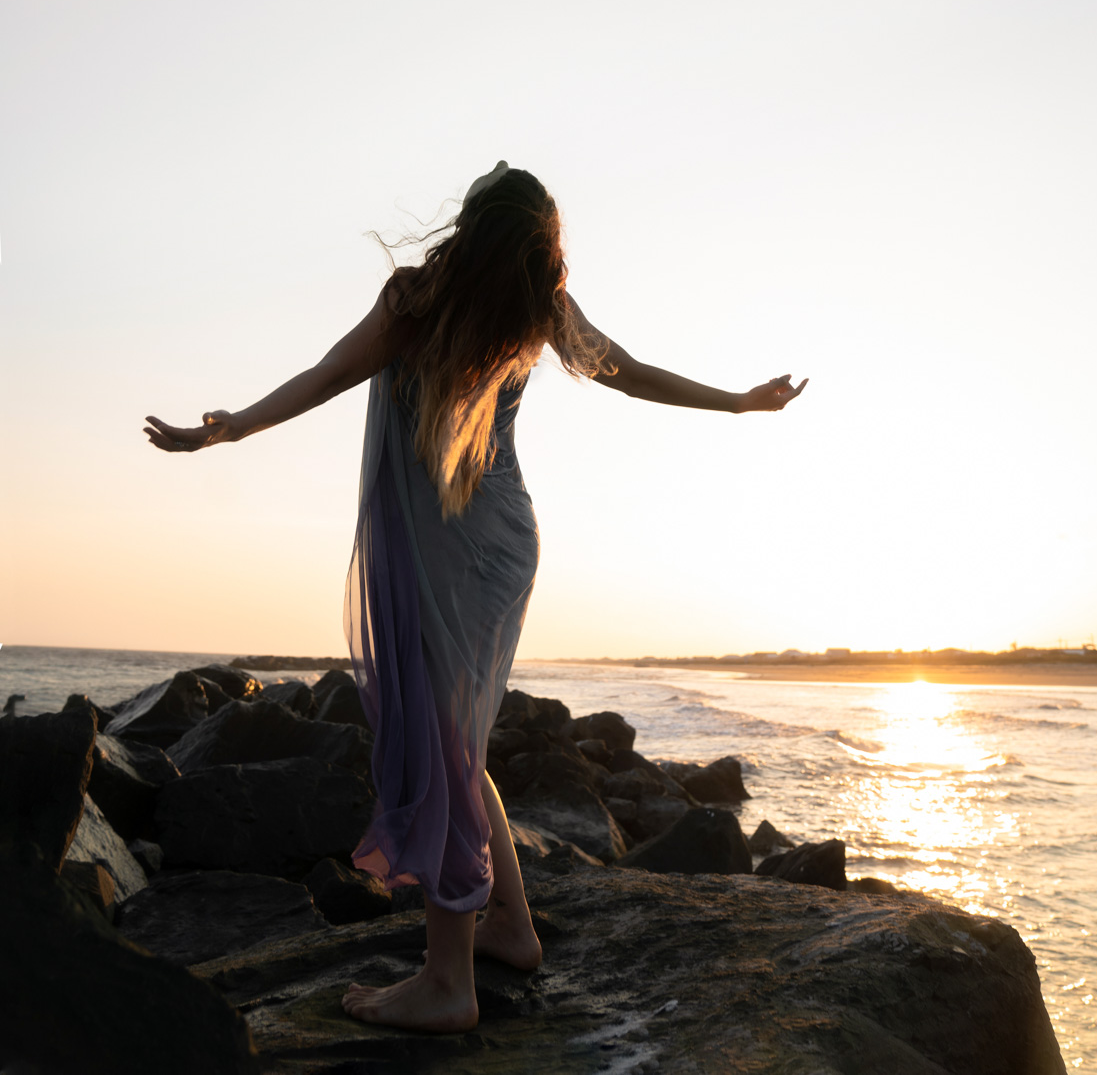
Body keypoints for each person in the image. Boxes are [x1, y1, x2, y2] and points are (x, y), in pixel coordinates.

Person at [145, 162, 807, 1033]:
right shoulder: (539, 310)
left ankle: (447, 983)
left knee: (446, 749)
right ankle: (511, 929)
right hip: (501, 539)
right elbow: (632, 373)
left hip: (451, 545)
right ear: (539, 241)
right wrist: (735, 405)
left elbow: (326, 374)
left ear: (473, 219)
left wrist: (231, 429)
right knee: (459, 747)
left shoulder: (417, 300)